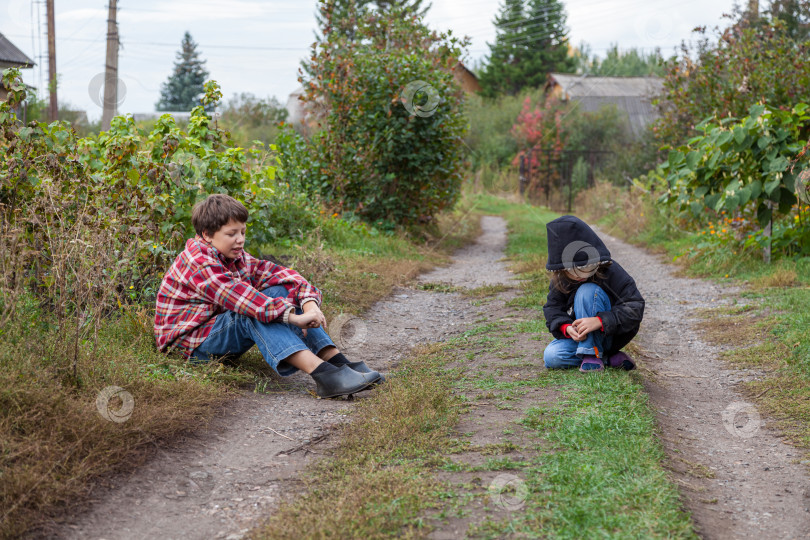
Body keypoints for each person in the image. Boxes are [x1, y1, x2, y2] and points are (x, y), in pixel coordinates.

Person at [154, 193, 382, 398]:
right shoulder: (198, 261)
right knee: (249, 312)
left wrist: (310, 305)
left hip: (214, 332)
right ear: (207, 234)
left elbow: (285, 277)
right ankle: (325, 375)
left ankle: (338, 362)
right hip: (191, 345)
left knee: (279, 291)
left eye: (242, 232)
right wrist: (293, 317)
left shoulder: (235, 256)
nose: (240, 239)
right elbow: (242, 299)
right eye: (231, 234)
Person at [542, 215, 644, 372]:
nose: (577, 274)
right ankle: (608, 358)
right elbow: (552, 308)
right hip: (582, 339)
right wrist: (566, 327)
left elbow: (635, 306)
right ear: (561, 269)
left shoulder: (611, 271)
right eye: (570, 270)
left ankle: (592, 356)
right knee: (552, 356)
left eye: (583, 267)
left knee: (587, 291)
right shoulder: (561, 280)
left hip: (610, 334)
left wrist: (600, 321)